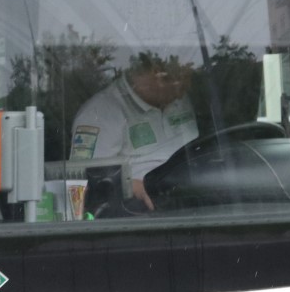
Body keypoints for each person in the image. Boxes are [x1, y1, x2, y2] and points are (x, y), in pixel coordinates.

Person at [68, 54, 198, 212]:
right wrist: (128, 186)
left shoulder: (177, 97)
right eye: (182, 80)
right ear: (159, 75)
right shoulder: (98, 114)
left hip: (197, 194)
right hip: (143, 211)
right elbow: (85, 187)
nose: (186, 89)